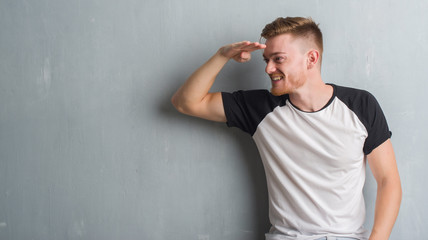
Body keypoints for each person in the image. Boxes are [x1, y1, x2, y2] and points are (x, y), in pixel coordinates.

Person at [171, 17, 402, 240]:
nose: (268, 69)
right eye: (266, 60)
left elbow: (388, 180)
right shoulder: (260, 108)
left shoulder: (360, 105)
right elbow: (186, 102)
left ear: (311, 59)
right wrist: (222, 56)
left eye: (278, 59)